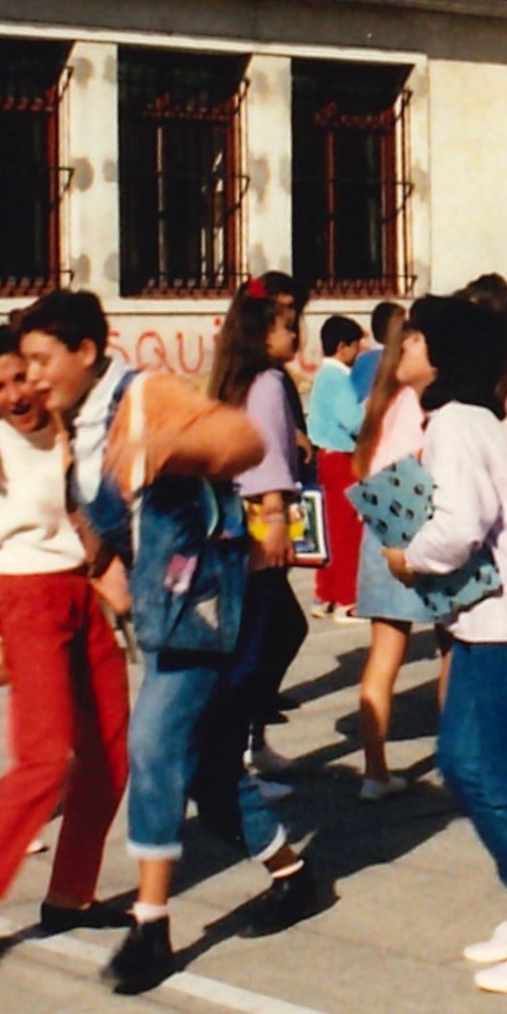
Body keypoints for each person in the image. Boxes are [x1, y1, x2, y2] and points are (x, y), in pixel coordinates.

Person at [18, 290, 325, 995]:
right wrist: (106, 570)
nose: (33, 374)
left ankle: (150, 926)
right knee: (205, 769)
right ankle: (293, 875)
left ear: (86, 351)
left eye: (42, 358)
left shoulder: (146, 392)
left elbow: (245, 443)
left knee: (152, 744)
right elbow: (95, 516)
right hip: (160, 610)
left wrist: (170, 448)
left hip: (205, 603)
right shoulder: (73, 425)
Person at [387, 297, 507, 993]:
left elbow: (461, 524)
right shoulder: (454, 419)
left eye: (413, 337)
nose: (402, 346)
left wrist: (406, 553)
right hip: (485, 616)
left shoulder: (458, 424)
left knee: (506, 774)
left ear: (441, 353)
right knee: (461, 761)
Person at [0, 327, 126, 955]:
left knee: (110, 756)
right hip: (26, 601)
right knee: (44, 758)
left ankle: (70, 896)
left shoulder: (74, 426)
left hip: (85, 593)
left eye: (22, 376)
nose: (16, 394)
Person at [207, 283, 312, 794]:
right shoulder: (268, 382)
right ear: (259, 333)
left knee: (270, 629)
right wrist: (275, 518)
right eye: (284, 323)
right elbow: (266, 455)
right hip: (260, 522)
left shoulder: (233, 381)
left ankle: (250, 737)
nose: (294, 332)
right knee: (263, 639)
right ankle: (232, 755)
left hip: (234, 521)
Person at [346, 307, 439, 798]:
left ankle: (374, 770)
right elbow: (421, 462)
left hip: (376, 525)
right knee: (452, 647)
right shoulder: (414, 406)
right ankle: (455, 758)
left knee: (383, 654)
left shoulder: (378, 402)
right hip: (413, 524)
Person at [306, 316, 370, 614]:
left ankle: (325, 594)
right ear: (344, 346)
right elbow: (353, 421)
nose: (359, 352)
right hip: (343, 459)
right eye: (356, 346)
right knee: (346, 532)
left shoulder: (322, 376)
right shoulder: (340, 377)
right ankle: (348, 599)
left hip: (325, 457)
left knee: (328, 529)